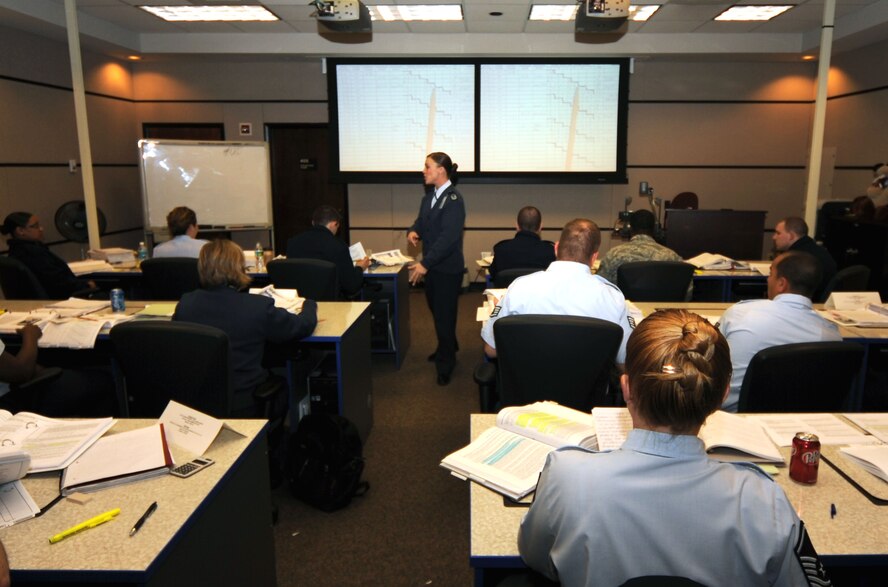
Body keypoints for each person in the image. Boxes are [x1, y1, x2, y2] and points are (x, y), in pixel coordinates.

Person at [518, 309, 832, 587]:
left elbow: (537, 558)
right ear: (722, 394)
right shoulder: (764, 500)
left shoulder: (566, 477)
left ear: (626, 389)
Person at [174, 239, 318, 415]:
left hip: (197, 402)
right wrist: (310, 304)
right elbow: (301, 327)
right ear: (238, 267)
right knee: (283, 384)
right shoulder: (256, 307)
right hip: (244, 401)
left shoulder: (186, 303)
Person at [481, 218, 632, 364]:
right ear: (594, 257)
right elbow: (626, 359)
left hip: (528, 388)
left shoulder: (518, 289)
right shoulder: (614, 299)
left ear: (556, 248)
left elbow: (491, 350)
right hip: (587, 389)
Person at [718, 251, 841, 412]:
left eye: (770, 274)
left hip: (730, 415)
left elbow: (712, 362)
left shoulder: (741, 313)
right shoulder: (832, 336)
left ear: (782, 283)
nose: (768, 279)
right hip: (800, 421)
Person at [407, 152, 466, 386]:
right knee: (438, 311)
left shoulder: (454, 200)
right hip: (433, 268)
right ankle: (448, 344)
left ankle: (446, 364)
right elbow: (421, 221)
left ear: (441, 170)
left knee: (444, 317)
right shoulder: (429, 197)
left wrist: (424, 264)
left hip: (446, 270)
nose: (424, 170)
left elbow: (448, 238)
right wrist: (413, 230)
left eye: (428, 166)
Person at [2, 211, 97, 298]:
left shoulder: (16, 250)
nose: (41, 229)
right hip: (64, 297)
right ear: (20, 231)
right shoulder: (33, 253)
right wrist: (86, 285)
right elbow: (57, 282)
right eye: (35, 226)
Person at [285, 205, 370, 298]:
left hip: (298, 302)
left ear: (313, 223)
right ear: (334, 224)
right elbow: (351, 286)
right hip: (329, 304)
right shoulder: (337, 245)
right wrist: (360, 268)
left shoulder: (293, 242)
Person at [596, 209, 684, 286]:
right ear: (655, 230)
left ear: (631, 229)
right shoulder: (672, 257)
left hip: (624, 305)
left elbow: (600, 286)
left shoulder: (614, 255)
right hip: (660, 305)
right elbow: (685, 291)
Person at [772, 216, 836, 302]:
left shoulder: (797, 258)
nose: (774, 237)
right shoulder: (816, 249)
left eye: (778, 233)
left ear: (791, 236)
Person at [487, 206, 555, 281]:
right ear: (540, 226)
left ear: (517, 225)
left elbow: (492, 274)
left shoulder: (501, 250)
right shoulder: (550, 251)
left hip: (509, 292)